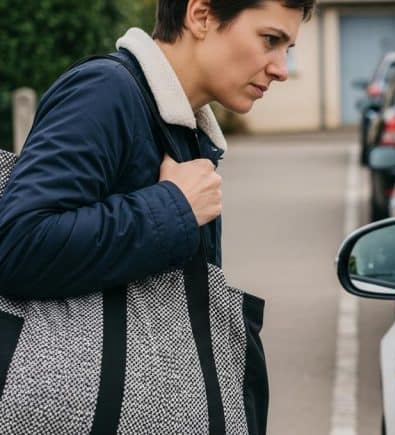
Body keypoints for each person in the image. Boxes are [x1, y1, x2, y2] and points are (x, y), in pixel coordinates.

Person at [0, 0, 315, 298]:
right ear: (201, 15)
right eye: (270, 40)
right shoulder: (105, 92)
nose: (281, 70)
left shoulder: (179, 126)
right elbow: (17, 245)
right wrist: (175, 208)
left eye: (287, 49)